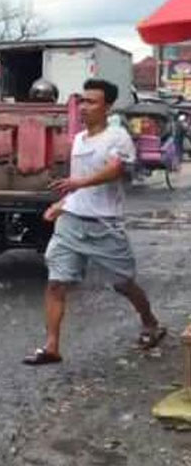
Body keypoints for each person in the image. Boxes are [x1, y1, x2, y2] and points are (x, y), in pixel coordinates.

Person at [23, 79, 165, 365]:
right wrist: (61, 204)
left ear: (107, 107)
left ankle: (150, 322)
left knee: (124, 283)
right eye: (83, 101)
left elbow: (115, 170)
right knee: (56, 282)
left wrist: (79, 182)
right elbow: (76, 186)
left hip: (105, 224)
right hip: (72, 221)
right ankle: (51, 347)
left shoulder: (118, 137)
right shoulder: (78, 139)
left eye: (92, 102)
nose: (85, 107)